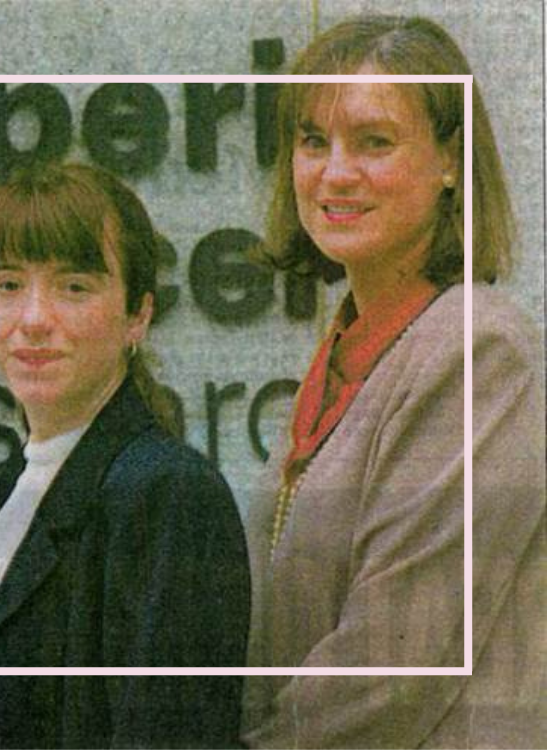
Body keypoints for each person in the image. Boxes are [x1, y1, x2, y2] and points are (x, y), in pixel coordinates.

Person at [241, 15, 545, 749]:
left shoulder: (476, 346)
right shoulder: (355, 345)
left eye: (374, 142)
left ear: (451, 162)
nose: (335, 171)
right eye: (313, 141)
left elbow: (394, 667)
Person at [0, 162, 250, 749]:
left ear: (139, 315)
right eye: (8, 285)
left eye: (74, 287)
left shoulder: (166, 495)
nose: (34, 320)